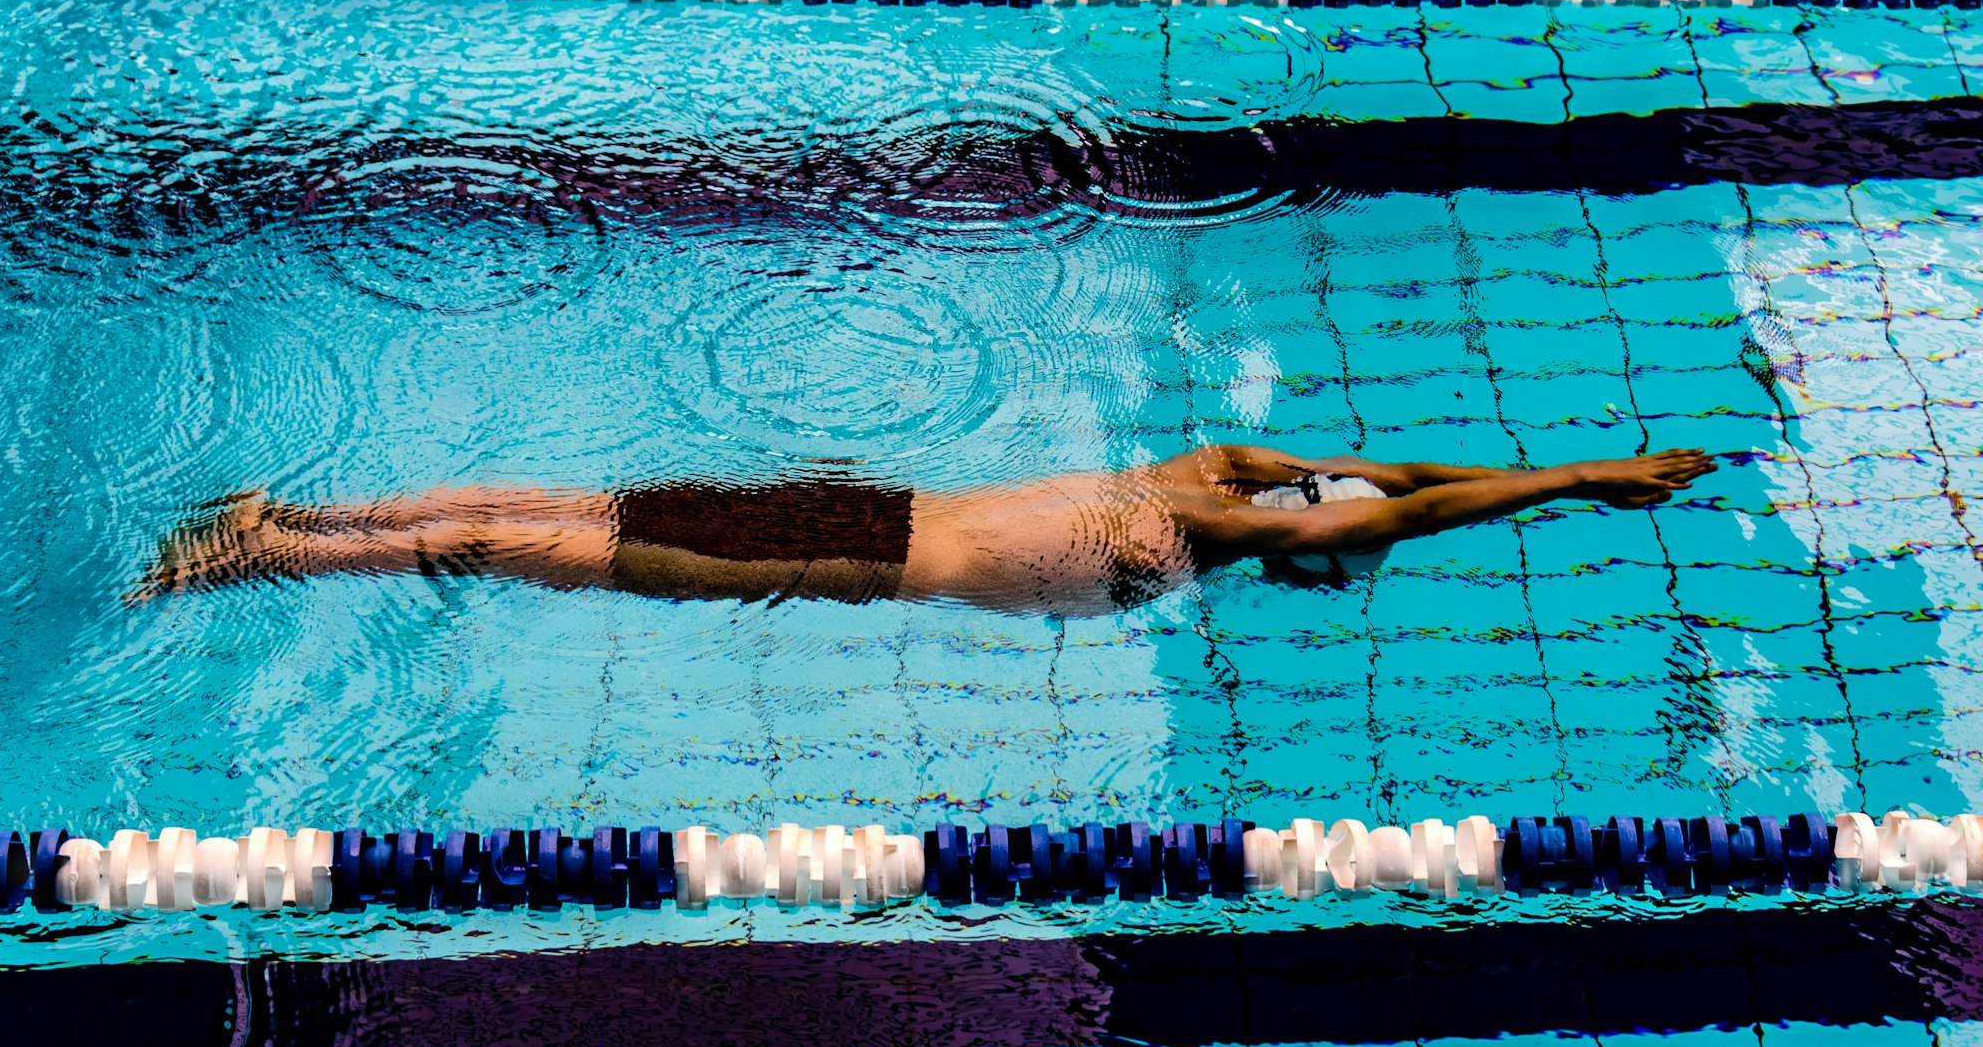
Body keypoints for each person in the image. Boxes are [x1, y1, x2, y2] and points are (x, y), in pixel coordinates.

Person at [135, 446, 1716, 616]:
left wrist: (1582, 464)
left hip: (861, 499)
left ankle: (290, 516)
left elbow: (1387, 481)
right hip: (850, 556)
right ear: (1289, 547)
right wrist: (1585, 483)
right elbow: (1420, 511)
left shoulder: (1203, 469)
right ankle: (269, 554)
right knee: (538, 547)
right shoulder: (1194, 544)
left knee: (560, 507)